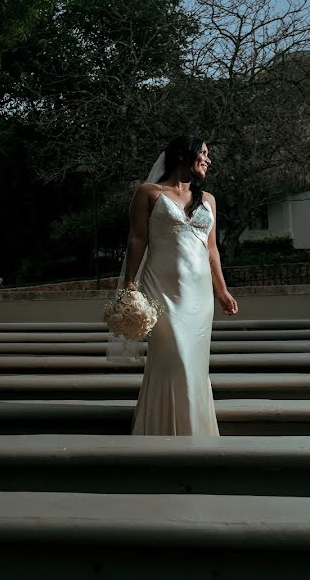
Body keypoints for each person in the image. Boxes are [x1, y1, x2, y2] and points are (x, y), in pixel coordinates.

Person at [120, 135, 238, 435]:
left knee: (194, 364)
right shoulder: (149, 192)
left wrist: (221, 290)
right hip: (162, 290)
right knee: (174, 359)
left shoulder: (208, 199)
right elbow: (137, 239)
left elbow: (212, 250)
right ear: (184, 156)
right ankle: (162, 431)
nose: (208, 160)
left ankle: (195, 430)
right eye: (204, 153)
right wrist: (129, 283)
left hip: (199, 295)